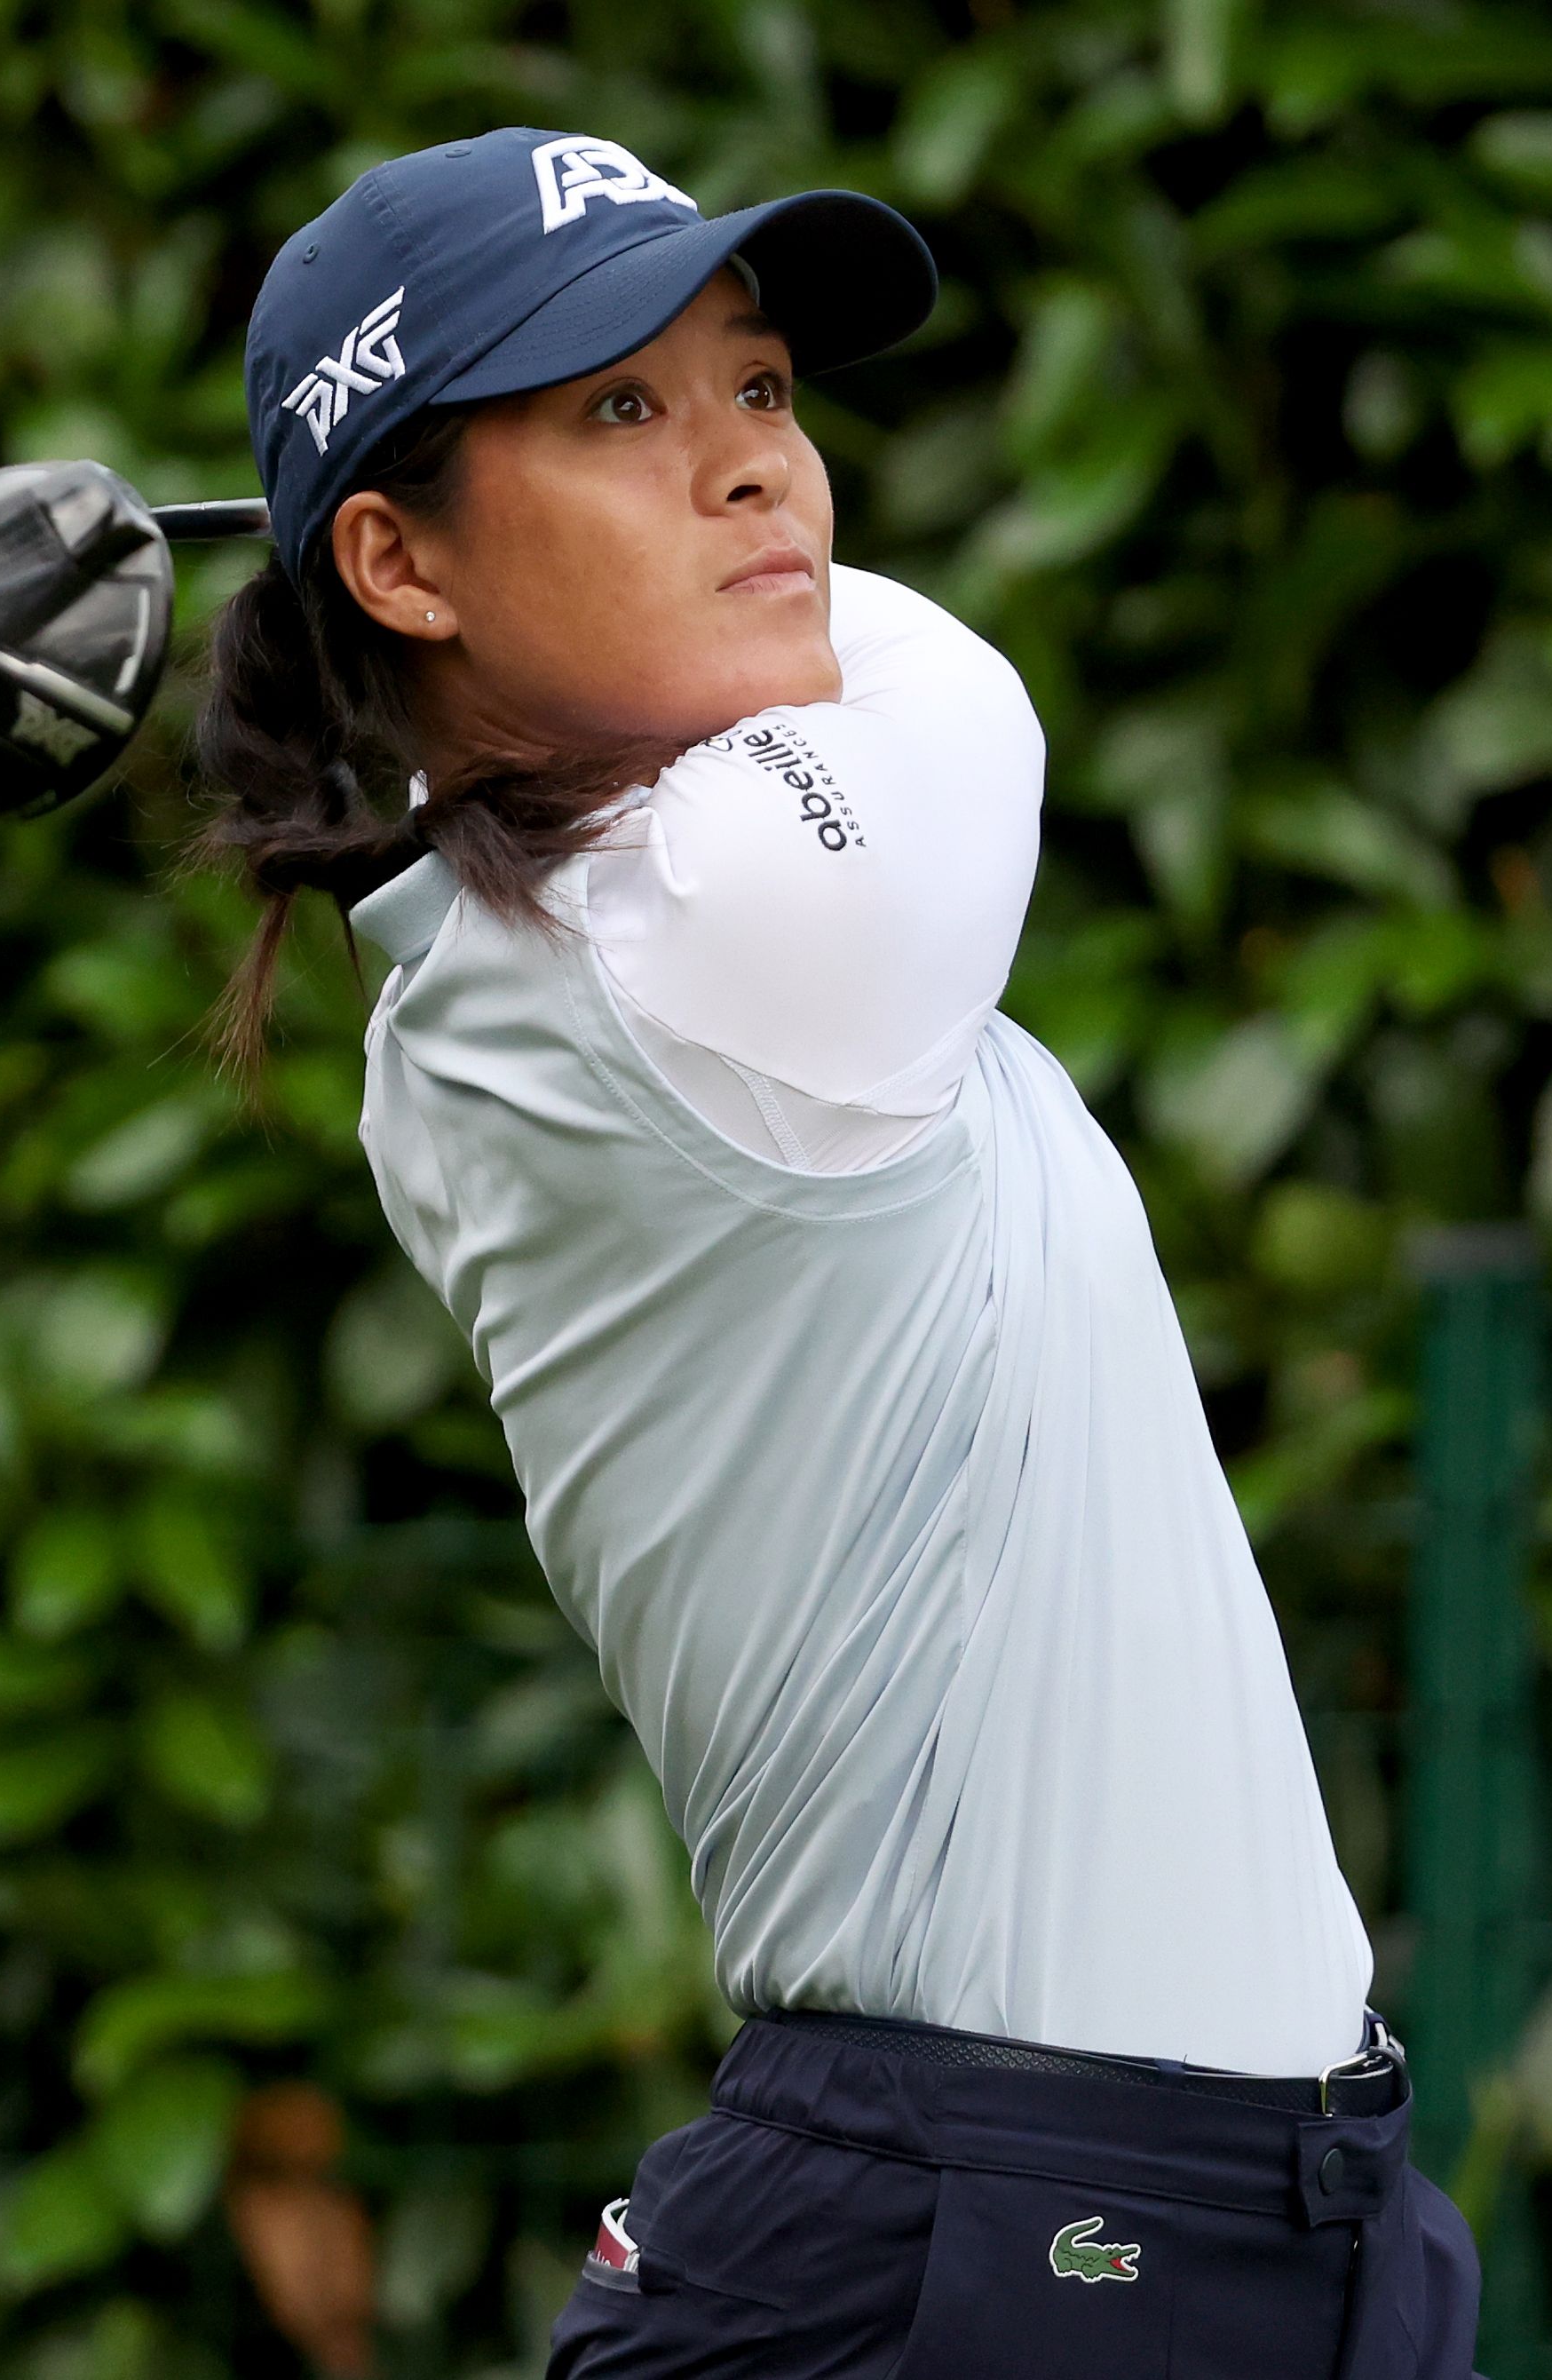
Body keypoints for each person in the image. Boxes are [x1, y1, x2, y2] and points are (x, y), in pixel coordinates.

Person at [199, 128, 1483, 2379]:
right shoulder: (740, 917)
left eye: (762, 391)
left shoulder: (522, 951)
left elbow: (719, 659)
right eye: (618, 407)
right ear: (402, 561)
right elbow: (961, 688)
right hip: (994, 2247)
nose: (753, 477)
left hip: (1229, 2230)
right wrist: (362, 599)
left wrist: (404, 592)